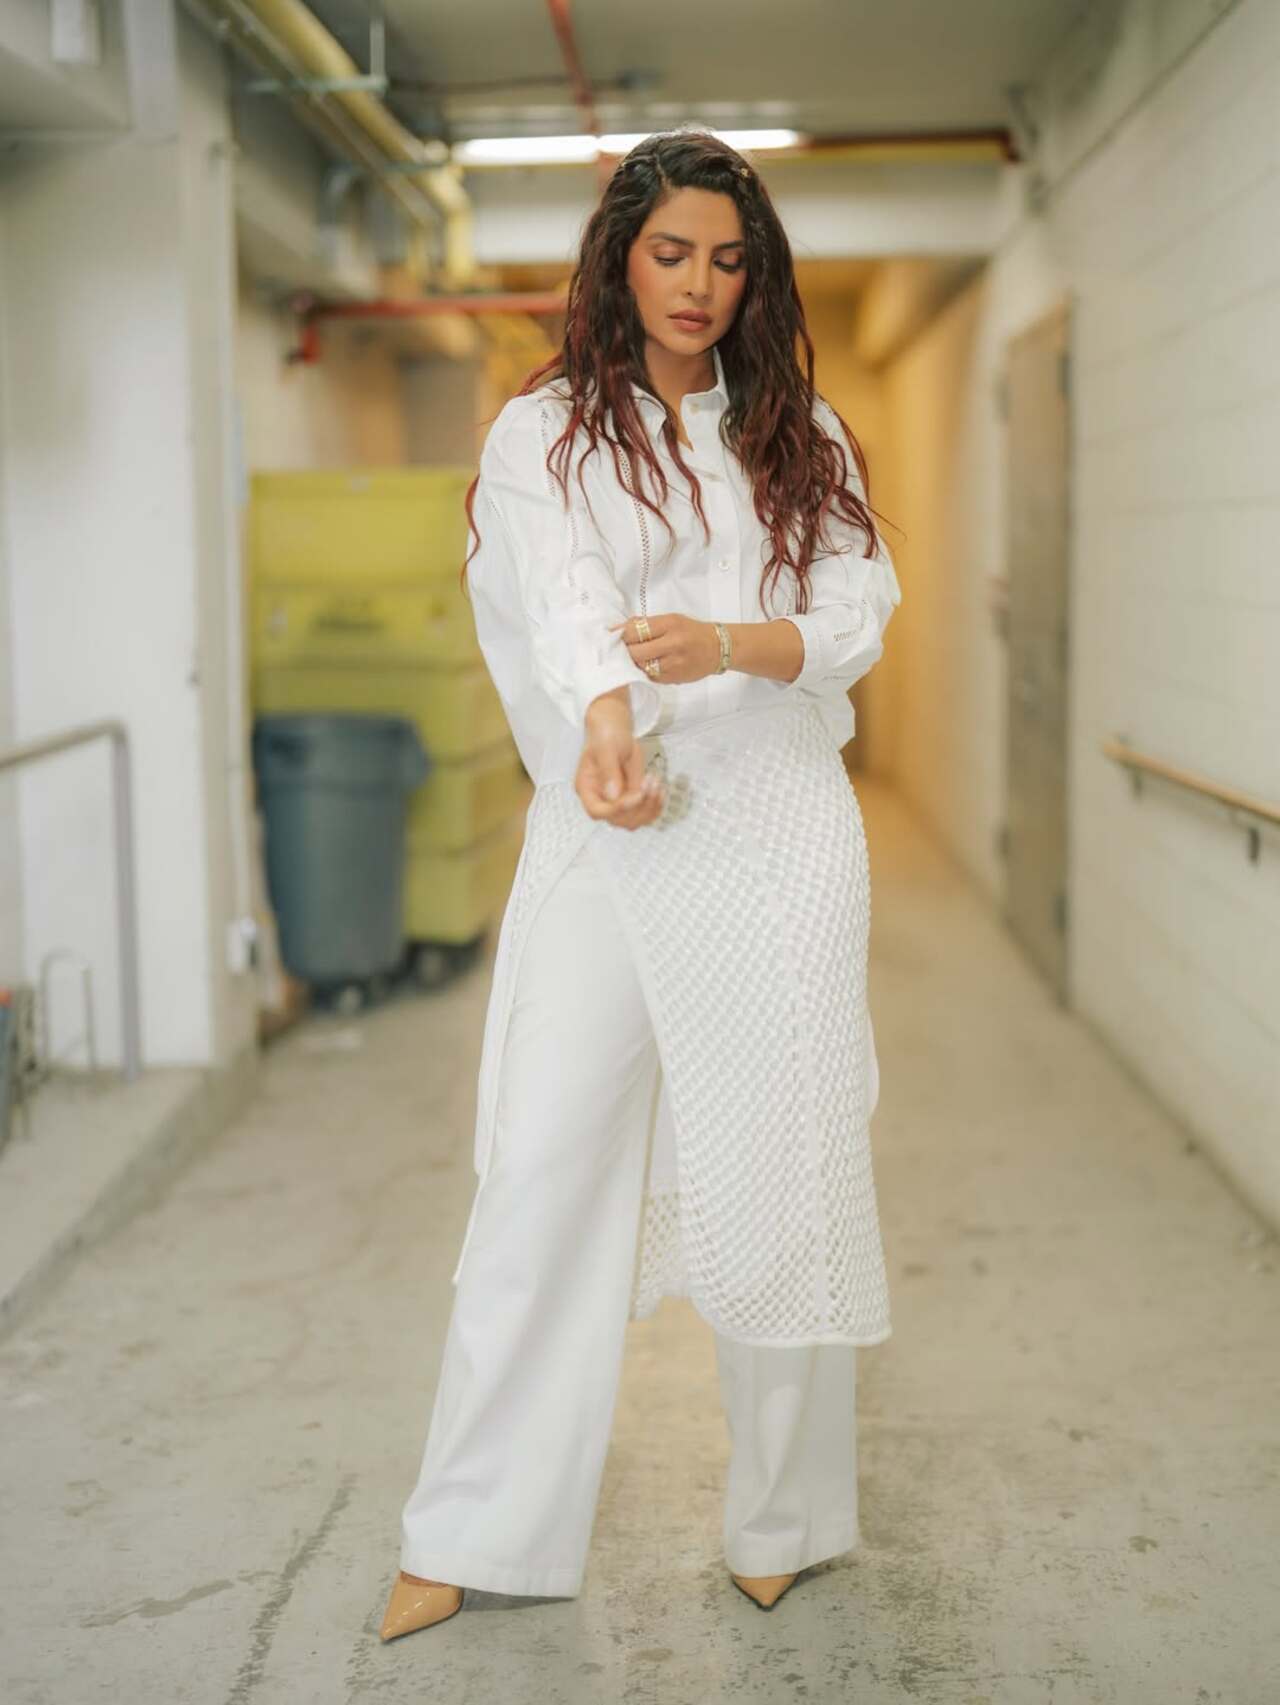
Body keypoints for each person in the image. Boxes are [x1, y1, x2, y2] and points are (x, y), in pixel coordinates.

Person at [381, 126, 902, 1643]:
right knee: (543, 1160)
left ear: (758, 279)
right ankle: (474, 1523)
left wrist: (734, 646)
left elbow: (857, 608)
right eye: (671, 252)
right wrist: (607, 723)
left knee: (785, 1159)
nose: (700, 284)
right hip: (621, 820)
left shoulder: (801, 437)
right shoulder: (543, 432)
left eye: (730, 259)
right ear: (619, 258)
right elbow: (565, 599)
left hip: (785, 822)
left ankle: (787, 1515)